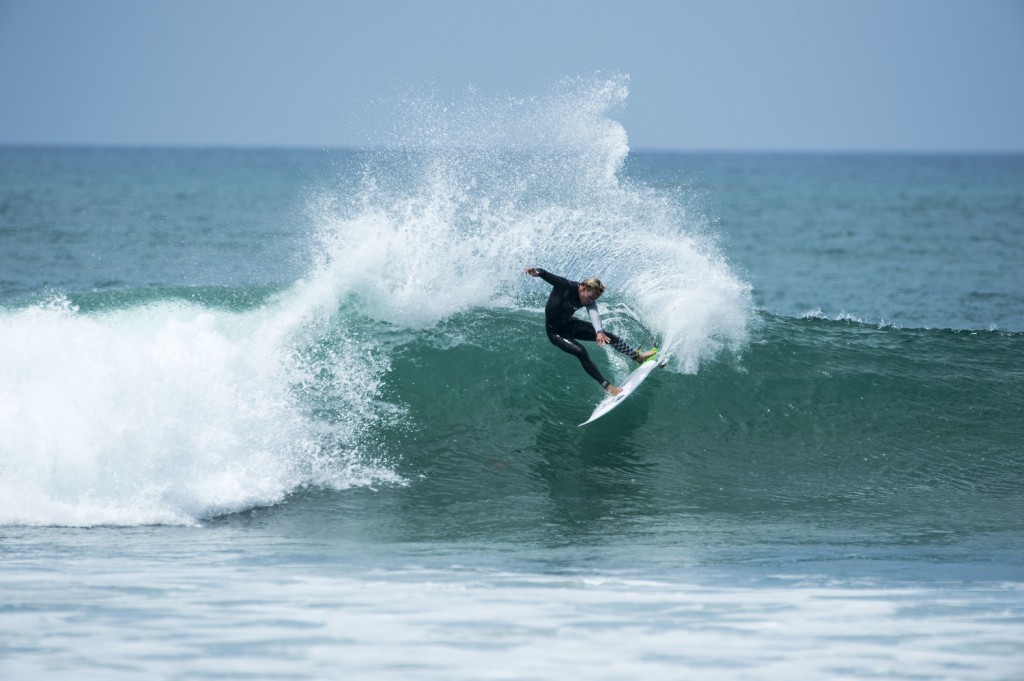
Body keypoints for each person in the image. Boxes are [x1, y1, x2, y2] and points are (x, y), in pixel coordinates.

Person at [524, 267, 656, 396]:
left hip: (570, 325)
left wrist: (599, 331)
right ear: (583, 288)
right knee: (580, 351)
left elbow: (593, 313)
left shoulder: (589, 300)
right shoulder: (566, 286)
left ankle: (637, 357)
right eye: (591, 297)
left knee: (609, 337)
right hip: (555, 333)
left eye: (594, 299)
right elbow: (550, 276)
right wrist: (537, 272)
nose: (591, 301)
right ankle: (607, 386)